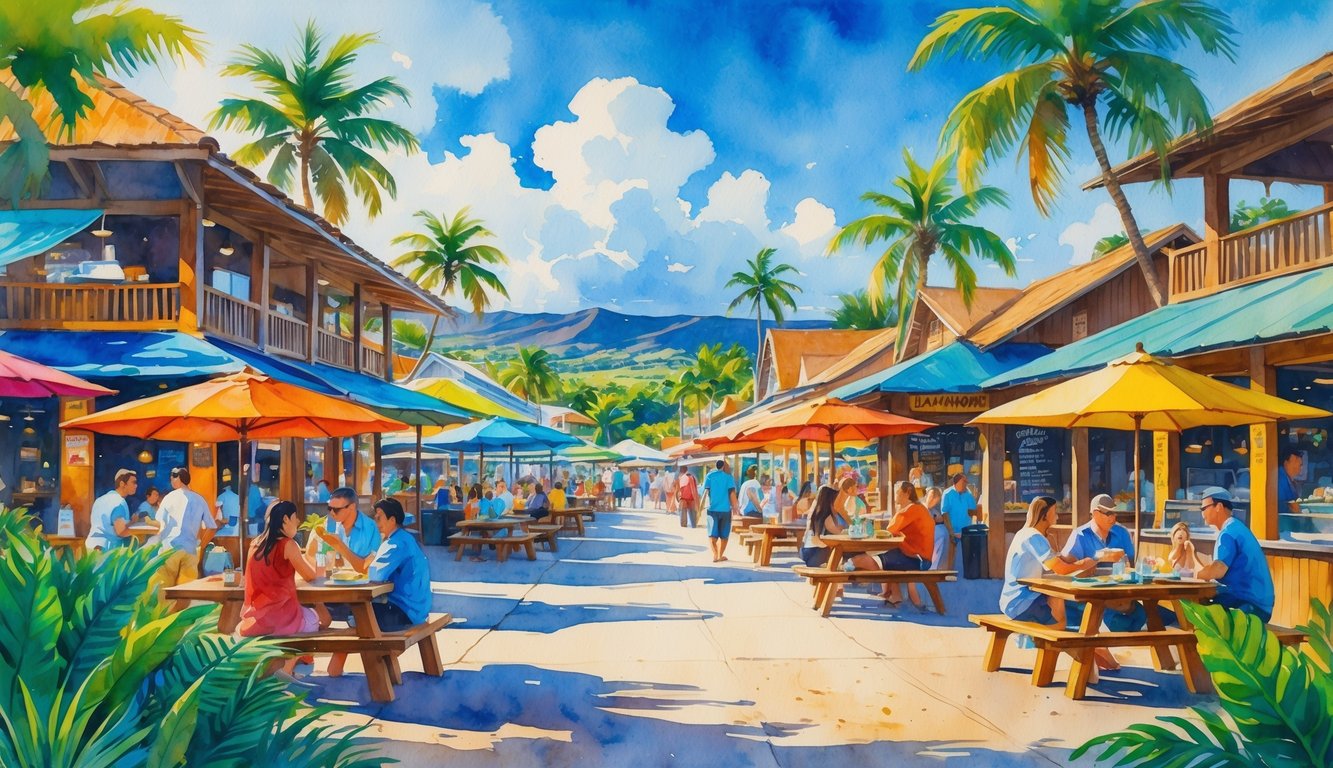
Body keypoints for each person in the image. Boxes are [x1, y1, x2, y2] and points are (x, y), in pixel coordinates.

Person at [1001, 497, 1102, 670]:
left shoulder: (1026, 534)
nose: (1057, 517)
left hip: (1014, 599)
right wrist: (1086, 563)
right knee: (1060, 620)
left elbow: (1055, 562)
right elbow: (1059, 568)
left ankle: (1090, 655)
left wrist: (1073, 562)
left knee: (1063, 606)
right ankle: (1081, 659)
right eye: (1055, 512)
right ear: (1046, 514)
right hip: (1021, 602)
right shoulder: (1034, 537)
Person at [238, 500, 324, 675]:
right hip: (281, 618)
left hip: (255, 618)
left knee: (313, 618)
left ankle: (288, 665)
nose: (298, 522)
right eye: (295, 517)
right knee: (320, 618)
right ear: (285, 519)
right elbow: (310, 575)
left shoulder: (255, 544)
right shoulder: (288, 545)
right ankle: (288, 666)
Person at [319, 498, 431, 631]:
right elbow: (369, 566)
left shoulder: (395, 544)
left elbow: (374, 574)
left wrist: (340, 547)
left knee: (356, 615)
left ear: (392, 520)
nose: (376, 522)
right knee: (356, 616)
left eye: (379, 518)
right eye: (375, 517)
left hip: (404, 612)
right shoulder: (403, 538)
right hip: (416, 610)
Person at [1063, 493, 1147, 640]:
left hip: (1119, 593)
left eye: (1114, 512)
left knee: (1144, 615)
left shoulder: (1121, 533)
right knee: (1116, 621)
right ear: (1095, 513)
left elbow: (1131, 565)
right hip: (1090, 596)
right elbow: (1066, 569)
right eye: (1108, 513)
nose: (1113, 517)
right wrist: (1093, 561)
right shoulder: (1080, 535)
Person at [1197, 487, 1275, 622]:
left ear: (1219, 507)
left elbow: (1217, 571)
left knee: (1198, 616)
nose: (1202, 513)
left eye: (1204, 509)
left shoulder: (1228, 533)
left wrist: (1194, 574)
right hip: (1258, 604)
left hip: (1249, 606)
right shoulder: (1236, 527)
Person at [152, 467, 218, 608]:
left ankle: (165, 622)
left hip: (169, 550)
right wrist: (202, 545)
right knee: (185, 592)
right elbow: (212, 527)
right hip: (190, 551)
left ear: (178, 479)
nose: (171, 481)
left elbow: (159, 524)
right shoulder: (200, 499)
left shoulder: (169, 498)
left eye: (172, 478)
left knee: (164, 591)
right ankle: (182, 623)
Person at [880, 482, 936, 608]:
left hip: (919, 558)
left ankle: (894, 595)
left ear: (907, 493)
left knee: (885, 560)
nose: (895, 495)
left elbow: (890, 528)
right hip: (920, 556)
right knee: (891, 557)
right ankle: (895, 595)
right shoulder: (918, 508)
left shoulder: (911, 509)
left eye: (898, 492)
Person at [800, 485, 856, 568]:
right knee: (840, 548)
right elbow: (839, 533)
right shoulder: (826, 517)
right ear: (830, 500)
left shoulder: (820, 514)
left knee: (842, 549)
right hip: (814, 555)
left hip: (809, 553)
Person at [87, 468, 137, 551]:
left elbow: (105, 524)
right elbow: (120, 531)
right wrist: (137, 531)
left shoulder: (100, 499)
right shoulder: (118, 501)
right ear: (122, 484)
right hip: (107, 550)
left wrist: (131, 522)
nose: (136, 485)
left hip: (91, 547)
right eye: (133, 482)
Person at [699, 459, 738, 562]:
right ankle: (720, 555)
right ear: (724, 467)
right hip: (725, 510)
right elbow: (732, 494)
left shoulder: (710, 476)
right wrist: (736, 508)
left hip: (712, 509)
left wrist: (700, 507)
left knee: (712, 533)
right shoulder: (729, 478)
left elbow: (705, 493)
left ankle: (715, 554)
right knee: (724, 535)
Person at [941, 473, 977, 570]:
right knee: (950, 554)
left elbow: (973, 511)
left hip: (966, 530)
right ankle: (949, 572)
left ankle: (968, 572)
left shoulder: (968, 494)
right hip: (952, 529)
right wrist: (951, 531)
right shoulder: (947, 493)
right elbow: (945, 514)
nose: (966, 483)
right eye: (964, 481)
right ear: (956, 482)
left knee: (968, 553)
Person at [925, 486, 951, 570]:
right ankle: (933, 566)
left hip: (929, 532)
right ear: (927, 496)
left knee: (942, 533)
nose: (932, 501)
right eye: (931, 496)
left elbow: (939, 517)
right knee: (941, 534)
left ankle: (936, 566)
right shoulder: (921, 507)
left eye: (935, 500)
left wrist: (939, 519)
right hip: (921, 533)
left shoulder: (932, 509)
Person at [1277, 448, 1303, 515]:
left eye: (1300, 465)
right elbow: (1276, 503)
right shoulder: (1278, 478)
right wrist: (1290, 508)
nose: (1299, 468)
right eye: (1296, 463)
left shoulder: (1291, 480)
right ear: (1286, 463)